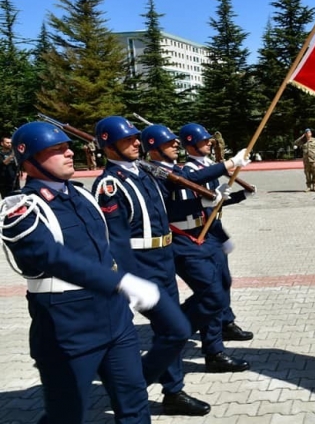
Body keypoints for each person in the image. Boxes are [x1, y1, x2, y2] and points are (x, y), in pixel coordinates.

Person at [0, 121, 159, 423]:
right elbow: (52, 257)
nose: (69, 153)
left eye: (67, 147)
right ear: (30, 159)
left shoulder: (83, 196)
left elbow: (113, 247)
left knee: (135, 402)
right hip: (67, 328)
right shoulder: (20, 210)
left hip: (116, 319)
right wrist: (120, 281)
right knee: (66, 414)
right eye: (56, 150)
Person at [92, 116, 210, 416]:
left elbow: (180, 185)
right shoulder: (109, 184)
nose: (136, 142)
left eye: (136, 138)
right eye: (127, 139)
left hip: (164, 257)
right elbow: (114, 238)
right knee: (174, 329)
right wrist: (131, 278)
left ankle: (172, 391)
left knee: (169, 331)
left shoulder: (145, 172)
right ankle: (137, 386)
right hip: (141, 265)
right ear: (109, 146)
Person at [140, 124, 252, 374]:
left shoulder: (175, 169)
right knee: (211, 294)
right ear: (154, 150)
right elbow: (186, 184)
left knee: (216, 290)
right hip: (182, 240)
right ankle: (176, 335)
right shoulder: (155, 172)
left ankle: (213, 349)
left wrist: (216, 199)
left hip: (202, 235)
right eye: (169, 143)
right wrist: (229, 164)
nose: (175, 145)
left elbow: (191, 191)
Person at [179, 123, 254, 342]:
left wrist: (240, 196)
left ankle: (225, 321)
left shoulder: (208, 166)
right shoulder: (189, 172)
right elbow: (202, 202)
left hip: (214, 229)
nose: (209, 143)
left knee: (224, 280)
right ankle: (194, 323)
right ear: (191, 144)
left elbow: (216, 203)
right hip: (200, 233)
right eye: (204, 140)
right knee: (212, 286)